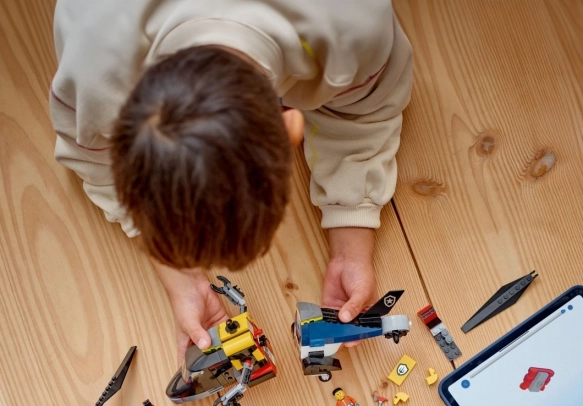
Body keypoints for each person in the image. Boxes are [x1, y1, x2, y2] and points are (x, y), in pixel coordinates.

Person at [50, 1, 413, 364]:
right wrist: (182, 277)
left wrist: (351, 236)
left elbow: (367, 109)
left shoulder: (353, 25)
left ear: (292, 127)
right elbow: (95, 159)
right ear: (292, 129)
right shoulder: (90, 73)